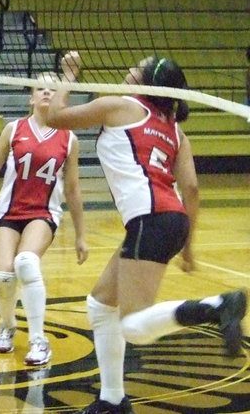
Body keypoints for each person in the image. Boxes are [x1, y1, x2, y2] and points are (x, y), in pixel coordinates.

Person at [47, 52, 247, 414]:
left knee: (135, 327)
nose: (127, 71)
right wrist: (188, 247)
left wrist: (68, 75)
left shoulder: (120, 106)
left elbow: (54, 117)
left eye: (135, 69)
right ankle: (112, 400)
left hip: (149, 219)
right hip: (170, 220)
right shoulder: (175, 129)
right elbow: (193, 190)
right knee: (99, 304)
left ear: (147, 82)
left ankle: (217, 306)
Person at [0, 72, 88, 367]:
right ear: (30, 97)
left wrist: (80, 234)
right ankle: (7, 323)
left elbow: (74, 188)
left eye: (52, 89)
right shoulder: (14, 129)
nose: (46, 93)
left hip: (43, 212)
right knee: (3, 277)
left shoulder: (69, 139)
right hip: (8, 212)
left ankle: (39, 339)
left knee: (26, 262)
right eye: (40, 88)